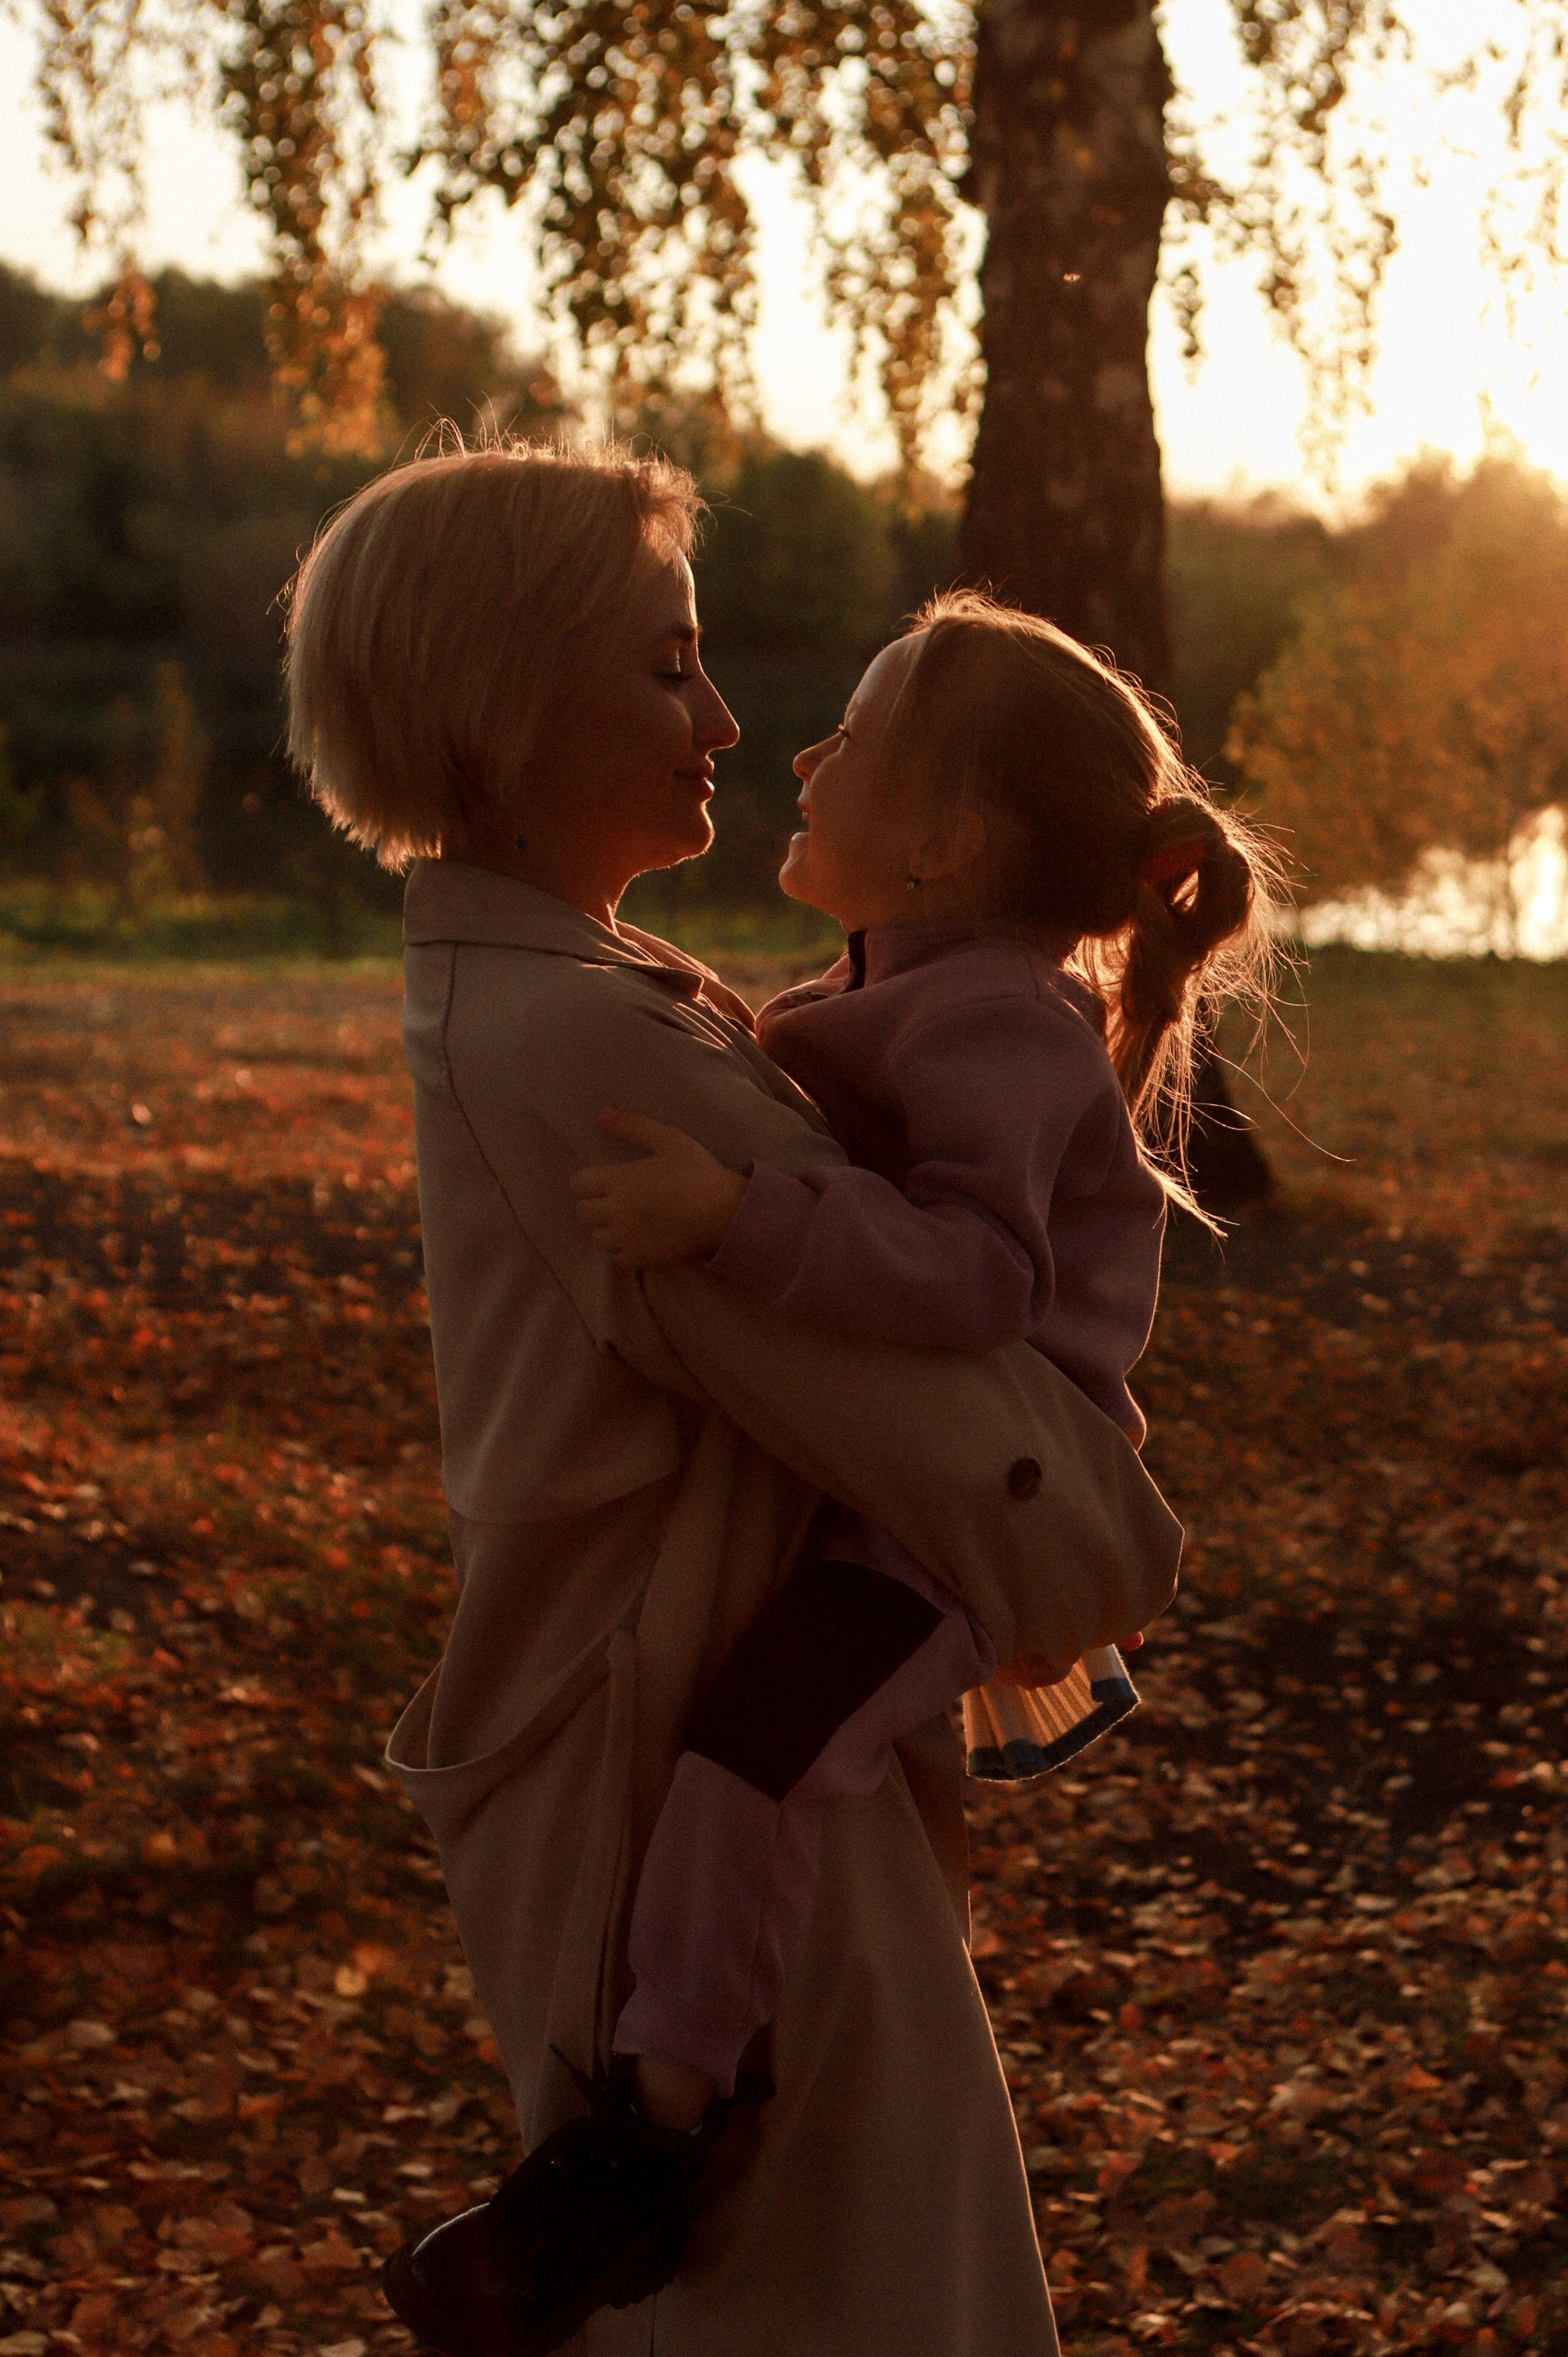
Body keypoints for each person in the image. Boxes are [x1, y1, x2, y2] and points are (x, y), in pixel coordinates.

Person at [285, 433, 1183, 2357]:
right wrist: (1112, 1540)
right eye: (666, 663)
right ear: (505, 700)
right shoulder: (590, 1046)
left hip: (698, 1743)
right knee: (851, 2287)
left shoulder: (605, 995)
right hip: (694, 1760)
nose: (724, 713)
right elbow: (944, 1426)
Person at [570, 587, 1275, 2222]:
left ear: (946, 839)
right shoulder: (900, 984)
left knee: (758, 1746)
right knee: (782, 1756)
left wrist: (737, 1215)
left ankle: (661, 2121)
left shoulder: (999, 1022)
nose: (805, 756)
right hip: (904, 1476)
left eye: (857, 739)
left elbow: (975, 1280)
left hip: (965, 1520)